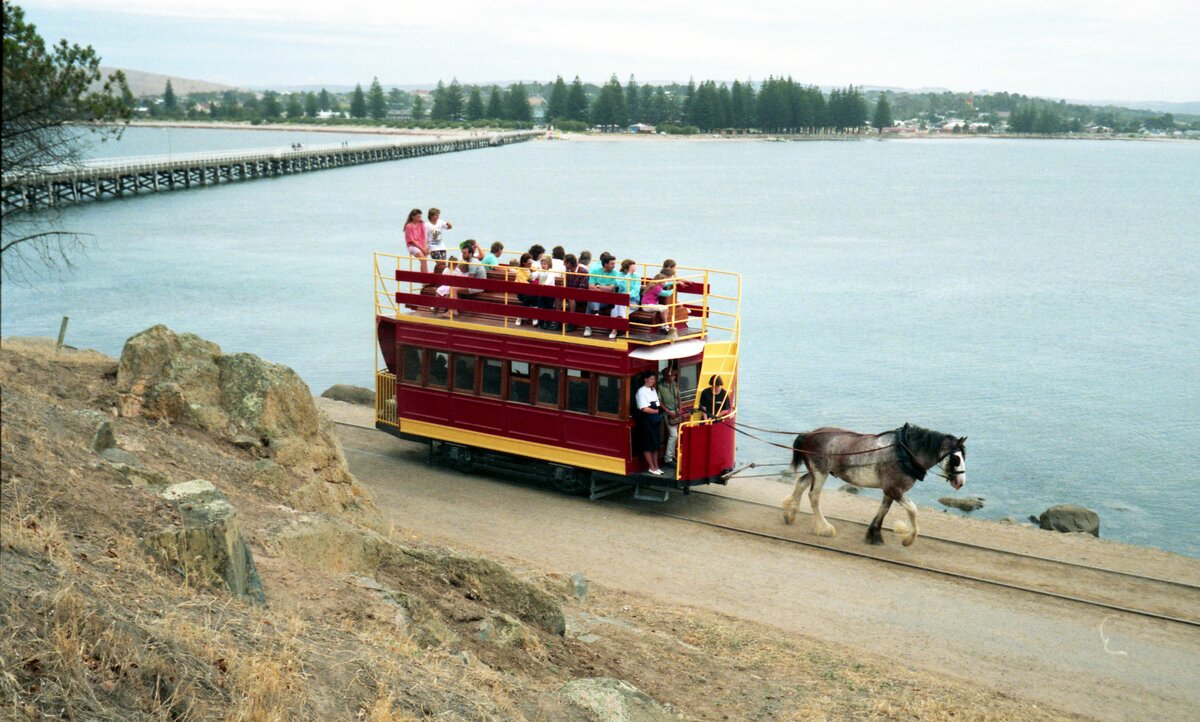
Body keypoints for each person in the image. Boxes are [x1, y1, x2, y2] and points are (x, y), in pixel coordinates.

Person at [583, 254, 622, 339]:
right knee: (591, 298)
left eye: (614, 264)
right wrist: (602, 289)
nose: (614, 265)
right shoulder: (595, 271)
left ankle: (589, 326)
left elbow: (610, 289)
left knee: (591, 299)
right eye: (612, 264)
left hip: (607, 300)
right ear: (605, 264)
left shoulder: (615, 274)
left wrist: (597, 286)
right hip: (596, 298)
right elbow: (590, 286)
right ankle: (595, 312)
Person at [635, 371, 665, 476]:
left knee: (655, 444)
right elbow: (644, 408)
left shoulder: (653, 390)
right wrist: (656, 411)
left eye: (654, 379)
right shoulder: (641, 392)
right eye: (651, 379)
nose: (653, 381)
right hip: (646, 420)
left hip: (655, 420)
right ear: (645, 379)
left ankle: (656, 466)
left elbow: (657, 403)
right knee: (648, 444)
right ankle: (651, 466)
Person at [658, 366, 682, 465]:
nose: (674, 377)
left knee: (675, 435)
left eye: (674, 376)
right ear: (666, 377)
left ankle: (672, 455)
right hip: (667, 413)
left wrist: (680, 408)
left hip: (676, 412)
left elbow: (678, 397)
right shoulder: (660, 386)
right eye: (672, 376)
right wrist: (668, 411)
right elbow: (659, 402)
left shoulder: (675, 385)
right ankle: (668, 458)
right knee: (674, 435)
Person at [533, 255, 561, 329]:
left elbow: (548, 281)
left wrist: (543, 285)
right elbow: (533, 276)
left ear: (549, 264)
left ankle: (548, 322)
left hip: (549, 293)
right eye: (542, 264)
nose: (543, 265)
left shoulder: (551, 272)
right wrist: (533, 271)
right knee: (541, 307)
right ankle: (541, 323)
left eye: (545, 264)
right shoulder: (540, 271)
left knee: (549, 307)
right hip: (541, 292)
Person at [512, 253, 537, 326]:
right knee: (529, 297)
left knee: (535, 295)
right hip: (521, 291)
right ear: (524, 263)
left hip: (531, 290)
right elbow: (525, 284)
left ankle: (533, 316)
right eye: (529, 263)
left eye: (531, 263)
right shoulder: (520, 271)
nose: (531, 264)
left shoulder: (532, 268)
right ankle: (521, 316)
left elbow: (538, 272)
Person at [403, 208, 428, 272]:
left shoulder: (421, 224)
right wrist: (422, 249)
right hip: (413, 246)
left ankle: (425, 275)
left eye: (420, 216)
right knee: (423, 259)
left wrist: (425, 247)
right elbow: (412, 241)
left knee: (424, 260)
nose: (419, 218)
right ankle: (425, 277)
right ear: (413, 217)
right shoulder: (409, 226)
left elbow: (424, 237)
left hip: (421, 245)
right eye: (418, 216)